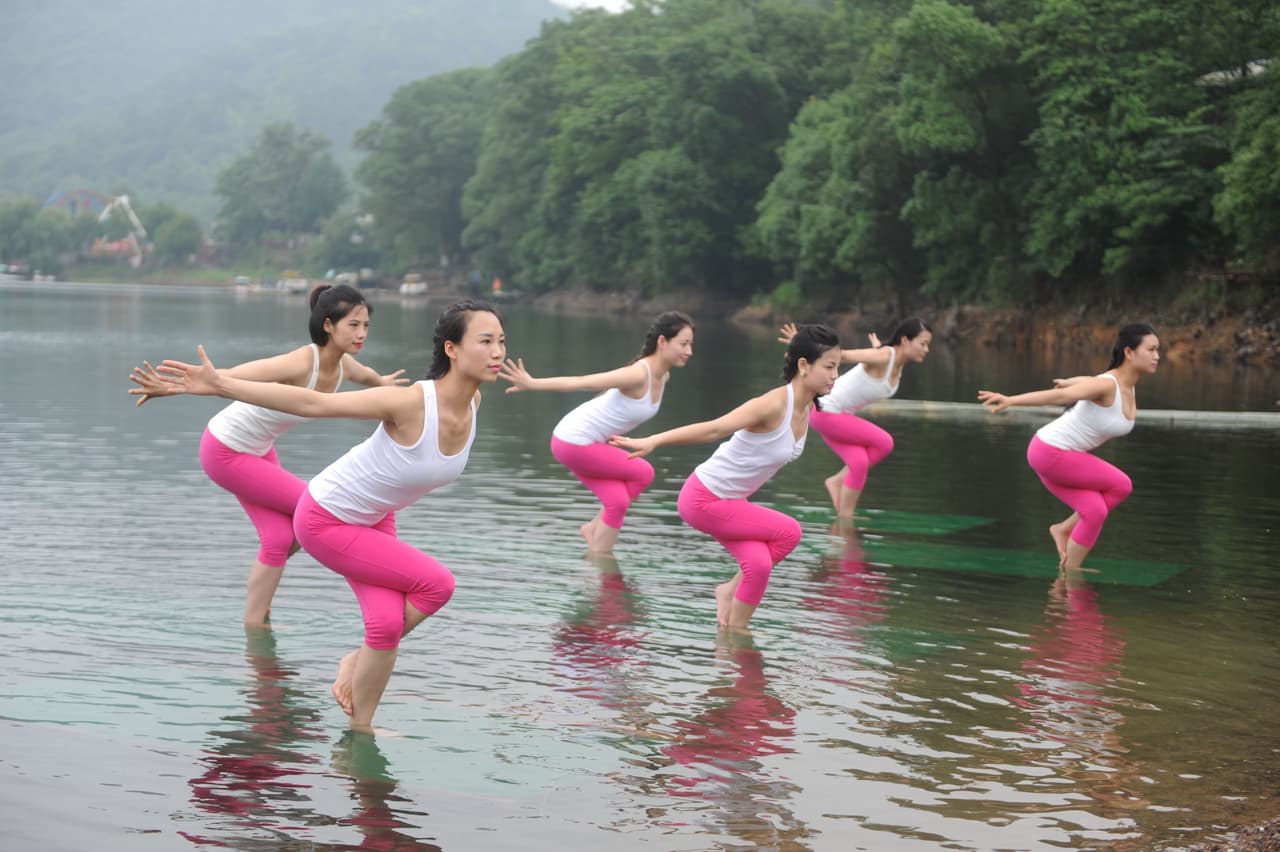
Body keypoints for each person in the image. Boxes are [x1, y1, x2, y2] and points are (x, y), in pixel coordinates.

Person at [146, 299, 506, 732]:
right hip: (327, 520)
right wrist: (221, 384)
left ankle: (361, 729)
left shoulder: (473, 403)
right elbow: (312, 404)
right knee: (437, 584)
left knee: (387, 625)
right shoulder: (410, 404)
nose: (498, 351)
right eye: (485, 341)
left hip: (375, 516)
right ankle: (352, 658)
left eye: (501, 341)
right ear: (452, 349)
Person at [128, 284, 409, 626]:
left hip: (258, 450)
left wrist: (386, 385)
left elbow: (371, 377)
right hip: (225, 450)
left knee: (281, 538)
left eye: (366, 325)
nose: (362, 333)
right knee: (317, 506)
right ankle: (258, 621)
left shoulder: (346, 366)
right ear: (328, 325)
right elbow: (237, 376)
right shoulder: (302, 362)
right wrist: (179, 385)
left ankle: (255, 622)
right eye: (353, 325)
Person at [611, 325, 842, 630]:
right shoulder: (772, 406)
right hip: (704, 498)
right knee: (789, 532)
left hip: (730, 500)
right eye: (829, 366)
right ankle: (737, 629)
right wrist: (654, 440)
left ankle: (731, 636)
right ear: (803, 365)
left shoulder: (806, 408)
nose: (835, 375)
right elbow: (714, 429)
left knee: (758, 565)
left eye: (838, 367)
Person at [499, 311, 695, 554]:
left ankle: (598, 559)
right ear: (663, 342)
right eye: (683, 344)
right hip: (573, 441)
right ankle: (596, 529)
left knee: (618, 502)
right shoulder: (637, 374)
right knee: (643, 472)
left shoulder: (663, 376)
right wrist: (533, 383)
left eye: (691, 345)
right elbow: (583, 381)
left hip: (582, 442)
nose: (689, 351)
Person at [977, 323, 1160, 572]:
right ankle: (1071, 573)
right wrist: (1011, 400)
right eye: (1151, 349)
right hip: (1051, 451)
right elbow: (1061, 398)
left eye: (1157, 350)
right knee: (1122, 484)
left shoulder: (1124, 385)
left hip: (1054, 456)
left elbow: (1087, 381)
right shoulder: (1107, 386)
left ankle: (1067, 568)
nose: (1157, 356)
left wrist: (1069, 381)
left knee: (1095, 511)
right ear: (1129, 352)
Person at [779, 318, 932, 521]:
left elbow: (874, 364)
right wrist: (803, 346)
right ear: (905, 340)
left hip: (831, 414)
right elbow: (842, 355)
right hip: (826, 411)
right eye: (922, 343)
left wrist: (877, 350)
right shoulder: (885, 356)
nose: (927, 349)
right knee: (884, 442)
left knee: (859, 462)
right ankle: (845, 510)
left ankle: (843, 517)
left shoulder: (889, 359)